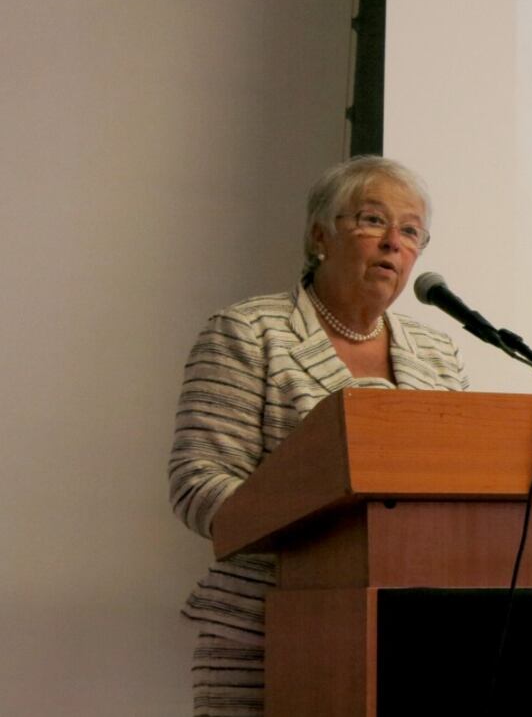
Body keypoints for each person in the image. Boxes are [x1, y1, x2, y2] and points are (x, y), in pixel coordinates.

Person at [167, 156, 469, 716]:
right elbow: (198, 485)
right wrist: (326, 527)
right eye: (373, 220)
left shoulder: (439, 353)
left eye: (409, 231)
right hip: (267, 630)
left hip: (418, 633)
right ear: (319, 235)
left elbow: (459, 486)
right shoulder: (249, 332)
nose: (392, 244)